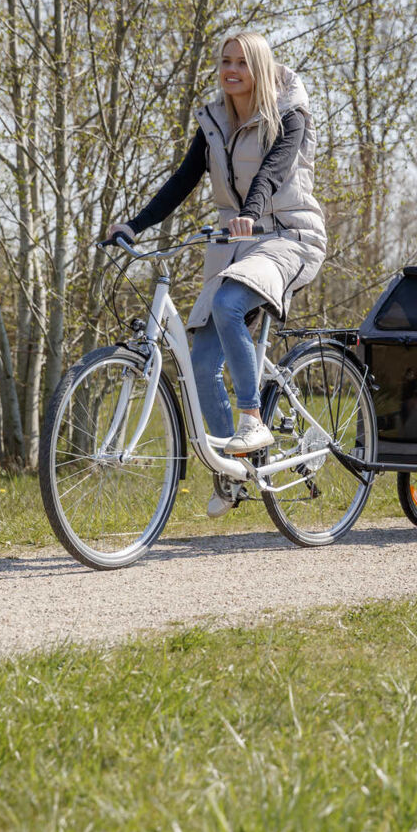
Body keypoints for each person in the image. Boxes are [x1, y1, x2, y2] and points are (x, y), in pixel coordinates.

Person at [102, 32, 327, 517]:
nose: (231, 70)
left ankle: (252, 419)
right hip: (234, 244)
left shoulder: (289, 115)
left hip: (288, 236)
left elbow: (273, 171)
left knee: (228, 304)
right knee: (200, 365)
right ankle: (232, 470)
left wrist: (249, 212)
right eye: (225, 61)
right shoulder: (214, 122)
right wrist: (135, 225)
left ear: (259, 69)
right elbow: (183, 179)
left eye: (241, 63)